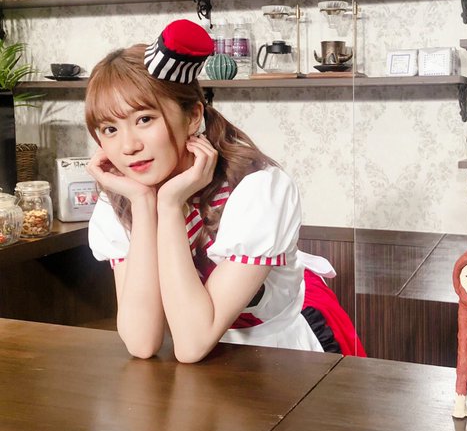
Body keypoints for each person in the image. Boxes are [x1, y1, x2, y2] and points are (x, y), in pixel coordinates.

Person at [85, 19, 365, 363]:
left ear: (193, 117)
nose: (128, 146)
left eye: (144, 119)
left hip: (282, 352)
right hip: (201, 361)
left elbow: (191, 344)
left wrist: (169, 205)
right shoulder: (124, 198)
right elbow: (142, 343)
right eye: (110, 129)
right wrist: (144, 206)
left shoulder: (257, 190)